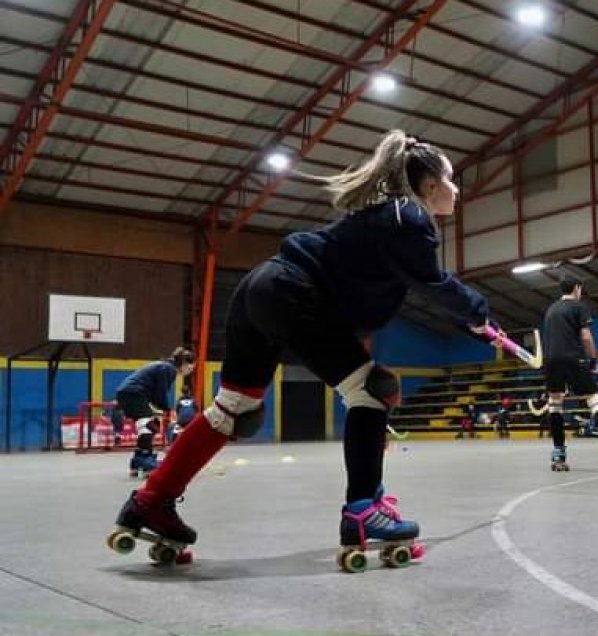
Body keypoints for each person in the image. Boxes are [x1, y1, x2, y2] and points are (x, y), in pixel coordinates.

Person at [111, 131, 492, 565]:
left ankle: (150, 501)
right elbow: (434, 284)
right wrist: (477, 313)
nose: (456, 188)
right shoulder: (409, 217)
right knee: (373, 390)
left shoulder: (387, 217)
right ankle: (364, 510)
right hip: (292, 291)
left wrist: (470, 316)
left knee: (233, 410)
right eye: (451, 178)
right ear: (428, 185)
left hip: (260, 288)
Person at [542, 277, 598, 472]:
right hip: (574, 358)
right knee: (594, 401)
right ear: (576, 288)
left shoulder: (551, 309)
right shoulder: (578, 306)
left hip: (551, 361)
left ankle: (558, 453)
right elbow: (585, 336)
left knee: (555, 405)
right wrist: (593, 359)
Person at [111, 347, 196, 477]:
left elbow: (154, 394)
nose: (191, 371)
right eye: (190, 368)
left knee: (152, 423)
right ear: (184, 364)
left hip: (130, 393)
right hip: (134, 393)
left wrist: (159, 409)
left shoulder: (164, 367)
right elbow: (160, 393)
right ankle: (144, 461)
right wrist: (167, 409)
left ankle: (138, 461)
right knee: (148, 425)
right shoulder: (169, 369)